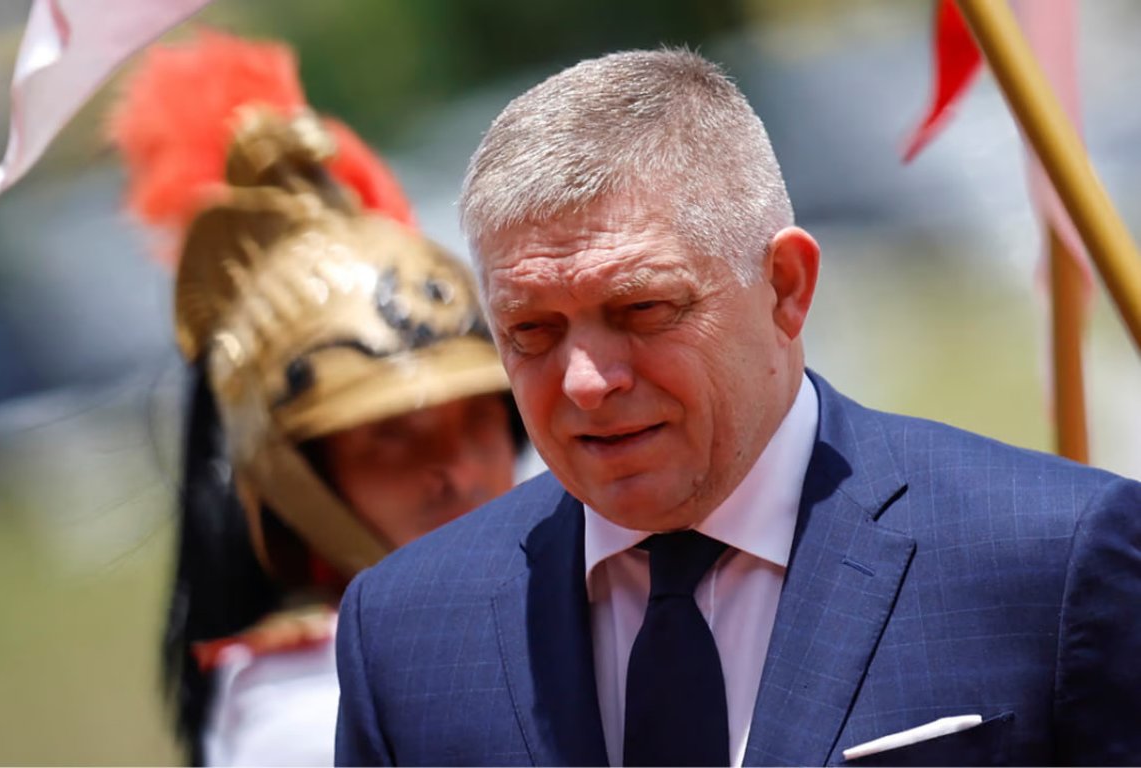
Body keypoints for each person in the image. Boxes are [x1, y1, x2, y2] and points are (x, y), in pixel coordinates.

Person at [334, 46, 1141, 766]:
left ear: (786, 287)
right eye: (532, 332)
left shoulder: (1051, 561)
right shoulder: (407, 633)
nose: (584, 381)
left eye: (642, 309)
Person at [108, 33, 523, 766]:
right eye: (391, 436)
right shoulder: (301, 715)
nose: (459, 472)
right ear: (297, 471)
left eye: (478, 418)